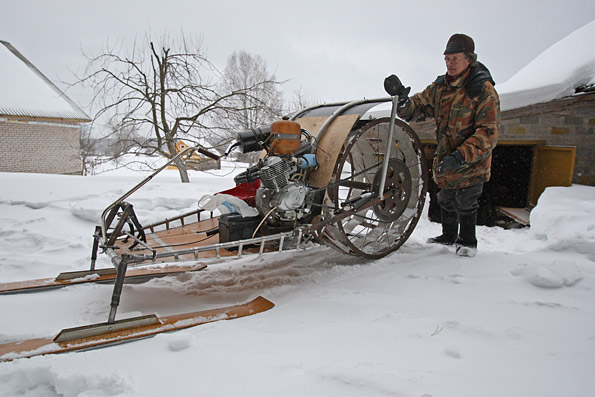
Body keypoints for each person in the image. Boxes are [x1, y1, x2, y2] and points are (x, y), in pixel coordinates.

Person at [384, 33, 500, 257]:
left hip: (471, 160)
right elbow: (417, 109)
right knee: (445, 198)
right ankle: (448, 237)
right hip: (447, 158)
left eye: (455, 58)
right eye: (447, 59)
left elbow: (488, 133)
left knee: (466, 200)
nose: (450, 63)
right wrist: (403, 99)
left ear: (469, 60)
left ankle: (468, 242)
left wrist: (460, 155)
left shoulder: (482, 90)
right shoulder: (440, 87)